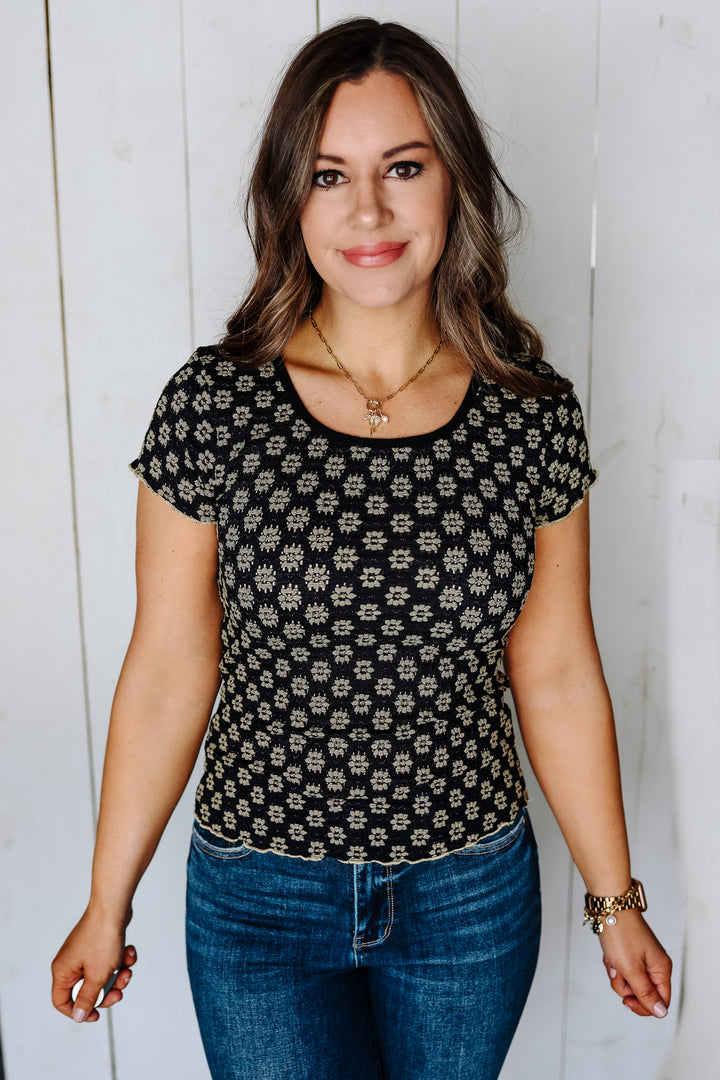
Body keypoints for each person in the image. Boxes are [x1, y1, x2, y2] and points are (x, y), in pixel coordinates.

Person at [51, 17, 672, 1080]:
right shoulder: (215, 406)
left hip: (468, 898)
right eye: (329, 174)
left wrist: (615, 901)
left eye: (404, 167)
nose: (369, 211)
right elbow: (166, 668)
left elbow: (559, 671)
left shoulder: (531, 416)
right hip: (258, 899)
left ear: (454, 181)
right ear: (290, 196)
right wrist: (107, 902)